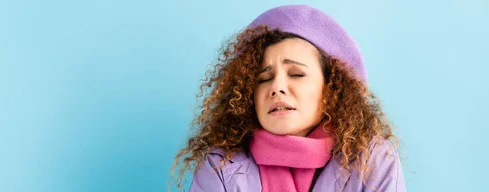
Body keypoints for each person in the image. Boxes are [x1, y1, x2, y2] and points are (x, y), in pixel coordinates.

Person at [170, 4, 406, 192]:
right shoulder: (219, 165)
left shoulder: (373, 160)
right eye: (263, 78)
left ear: (332, 91)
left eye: (296, 74)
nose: (277, 87)